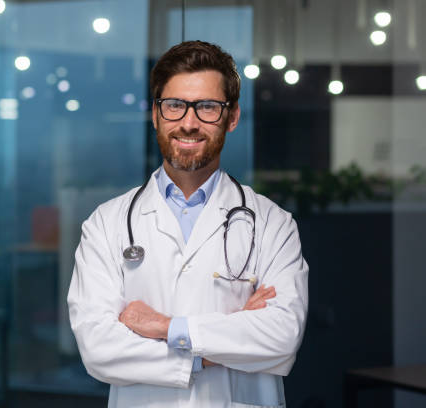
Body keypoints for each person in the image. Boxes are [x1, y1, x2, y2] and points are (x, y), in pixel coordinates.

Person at [67, 40, 308, 408]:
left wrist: (165, 328)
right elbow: (99, 349)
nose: (189, 123)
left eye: (208, 107)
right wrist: (220, 346)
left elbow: (281, 338)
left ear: (233, 117)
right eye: (175, 106)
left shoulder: (272, 224)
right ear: (155, 114)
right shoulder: (106, 223)